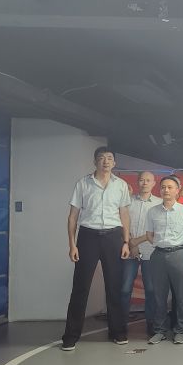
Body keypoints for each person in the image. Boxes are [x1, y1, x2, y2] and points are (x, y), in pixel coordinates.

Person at [61, 146, 132, 351]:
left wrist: (126, 241)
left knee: (114, 287)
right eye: (101, 158)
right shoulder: (83, 183)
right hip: (88, 236)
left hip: (113, 237)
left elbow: (124, 215)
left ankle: (118, 332)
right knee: (80, 287)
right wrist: (72, 244)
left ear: (114, 163)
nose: (106, 161)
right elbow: (73, 216)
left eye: (109, 158)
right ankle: (70, 336)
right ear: (95, 161)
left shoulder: (121, 185)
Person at [145, 175, 183, 344]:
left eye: (170, 187)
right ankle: (159, 330)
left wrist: (179, 248)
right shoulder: (152, 211)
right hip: (158, 255)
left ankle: (181, 330)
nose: (166, 190)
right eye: (163, 187)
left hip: (179, 255)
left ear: (177, 190)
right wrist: (161, 244)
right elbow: (149, 235)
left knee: (181, 295)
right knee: (159, 295)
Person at [121, 171, 161, 337]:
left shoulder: (159, 203)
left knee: (151, 290)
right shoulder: (127, 201)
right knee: (124, 289)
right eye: (142, 180)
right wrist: (131, 243)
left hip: (150, 251)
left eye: (148, 180)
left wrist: (137, 242)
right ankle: (120, 324)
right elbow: (122, 223)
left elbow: (158, 228)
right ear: (137, 182)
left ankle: (151, 323)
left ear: (154, 183)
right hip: (130, 250)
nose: (145, 183)